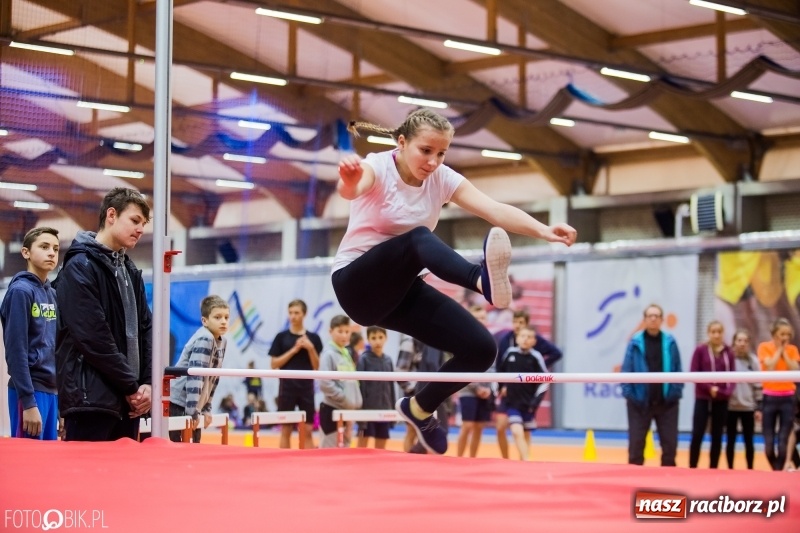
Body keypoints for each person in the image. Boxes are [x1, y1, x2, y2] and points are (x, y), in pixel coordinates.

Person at [331, 109, 576, 454]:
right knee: (418, 239)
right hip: (356, 284)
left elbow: (493, 209)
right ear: (401, 143)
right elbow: (352, 188)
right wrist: (349, 178)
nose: (433, 161)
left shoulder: (442, 178)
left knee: (481, 348)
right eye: (426, 151)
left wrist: (544, 230)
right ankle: (481, 280)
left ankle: (419, 408)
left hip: (398, 291)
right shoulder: (379, 166)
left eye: (441, 153)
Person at [54, 188, 152, 441]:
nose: (141, 229)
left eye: (144, 223)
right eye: (134, 220)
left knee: (125, 481)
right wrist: (131, 386)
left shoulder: (130, 271)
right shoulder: (79, 267)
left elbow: (146, 329)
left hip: (128, 404)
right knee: (85, 480)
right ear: (111, 215)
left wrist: (146, 384)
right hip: (91, 401)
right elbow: (94, 337)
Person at [0, 227, 60, 440]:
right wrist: (28, 402)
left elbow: (56, 348)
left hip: (52, 393)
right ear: (26, 252)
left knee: (48, 466)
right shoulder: (20, 291)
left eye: (55, 248)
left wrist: (61, 403)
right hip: (29, 392)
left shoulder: (52, 294)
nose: (51, 253)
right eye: (44, 247)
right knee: (29, 465)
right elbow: (16, 351)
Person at [621, 304, 683, 466]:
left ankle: (668, 484)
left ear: (662, 319)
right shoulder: (635, 342)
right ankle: (633, 484)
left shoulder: (670, 342)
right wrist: (631, 396)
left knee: (670, 449)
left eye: (657, 316)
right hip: (639, 404)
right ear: (644, 320)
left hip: (667, 404)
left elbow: (678, 370)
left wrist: (674, 394)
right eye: (650, 316)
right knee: (635, 449)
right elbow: (626, 371)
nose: (653, 318)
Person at [495, 308, 562, 458]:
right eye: (515, 322)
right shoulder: (506, 343)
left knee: (525, 431)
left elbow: (555, 355)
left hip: (527, 395)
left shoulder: (535, 352)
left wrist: (533, 371)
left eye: (521, 323)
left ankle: (523, 461)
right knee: (504, 427)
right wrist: (501, 386)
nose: (517, 326)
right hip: (509, 395)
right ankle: (507, 458)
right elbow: (500, 367)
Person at [168, 295, 230, 443]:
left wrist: (206, 408)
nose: (223, 321)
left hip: (193, 404)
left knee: (193, 446)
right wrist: (192, 411)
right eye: (217, 317)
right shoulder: (205, 338)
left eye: (226, 317)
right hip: (180, 403)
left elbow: (213, 379)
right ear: (204, 321)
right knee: (181, 449)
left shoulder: (222, 341)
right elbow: (195, 377)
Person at [269, 299, 322, 449]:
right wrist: (294, 350)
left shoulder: (314, 338)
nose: (293, 316)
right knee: (286, 429)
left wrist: (310, 348)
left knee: (308, 430)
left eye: (297, 313)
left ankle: (309, 465)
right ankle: (282, 464)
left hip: (306, 387)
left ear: (304, 314)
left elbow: (316, 366)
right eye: (291, 313)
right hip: (287, 387)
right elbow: (274, 364)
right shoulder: (281, 337)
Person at [496, 326, 548, 461]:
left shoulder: (536, 357)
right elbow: (499, 373)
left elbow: (545, 381)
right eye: (523, 336)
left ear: (534, 341)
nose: (525, 339)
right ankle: (527, 460)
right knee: (516, 431)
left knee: (525, 434)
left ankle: (523, 462)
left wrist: (535, 402)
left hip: (528, 403)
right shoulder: (510, 353)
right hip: (512, 402)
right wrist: (498, 389)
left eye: (529, 337)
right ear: (517, 338)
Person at [688, 320, 735, 468]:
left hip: (721, 400)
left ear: (723, 333)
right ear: (708, 333)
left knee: (717, 436)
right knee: (697, 434)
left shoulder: (729, 352)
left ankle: (713, 468)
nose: (716, 335)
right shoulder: (700, 350)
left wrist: (725, 392)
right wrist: (709, 388)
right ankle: (692, 467)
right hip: (703, 398)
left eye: (719, 332)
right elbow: (694, 373)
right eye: (713, 331)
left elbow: (733, 376)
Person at [757, 317, 800, 471]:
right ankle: (777, 469)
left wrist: (785, 352)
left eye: (788, 334)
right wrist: (779, 350)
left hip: (788, 398)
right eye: (782, 334)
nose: (785, 338)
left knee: (783, 442)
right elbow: (769, 366)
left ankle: (777, 473)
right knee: (769, 444)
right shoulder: (764, 347)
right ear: (774, 334)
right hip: (769, 397)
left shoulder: (793, 350)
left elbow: (794, 368)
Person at [318, 315, 362, 448]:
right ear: (331, 332)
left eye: (347, 332)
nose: (344, 335)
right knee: (329, 448)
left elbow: (353, 382)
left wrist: (355, 401)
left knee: (346, 448)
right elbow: (325, 383)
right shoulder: (328, 354)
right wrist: (344, 398)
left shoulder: (346, 354)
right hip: (332, 409)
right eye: (340, 331)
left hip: (348, 411)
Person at [456, 305, 493, 458]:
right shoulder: (464, 339)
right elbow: (461, 366)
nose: (481, 321)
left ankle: (472, 459)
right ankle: (458, 458)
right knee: (468, 425)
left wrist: (489, 388)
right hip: (467, 388)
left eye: (483, 318)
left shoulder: (491, 339)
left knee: (479, 426)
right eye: (477, 318)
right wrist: (476, 387)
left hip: (485, 389)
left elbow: (493, 366)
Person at [726, 329, 763, 469]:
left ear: (749, 343)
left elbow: (758, 385)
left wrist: (759, 407)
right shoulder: (728, 359)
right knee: (730, 440)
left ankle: (750, 469)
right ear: (734, 342)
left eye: (745, 341)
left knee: (749, 441)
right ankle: (730, 469)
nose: (742, 344)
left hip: (748, 407)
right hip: (730, 407)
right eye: (739, 340)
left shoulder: (753, 361)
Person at [356, 326, 395, 449]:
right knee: (363, 445)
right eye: (373, 338)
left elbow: (391, 386)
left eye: (380, 337)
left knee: (382, 443)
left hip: (384, 409)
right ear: (368, 339)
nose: (377, 341)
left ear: (386, 338)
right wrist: (361, 411)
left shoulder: (388, 360)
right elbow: (360, 386)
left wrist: (392, 408)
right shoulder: (364, 359)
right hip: (367, 410)